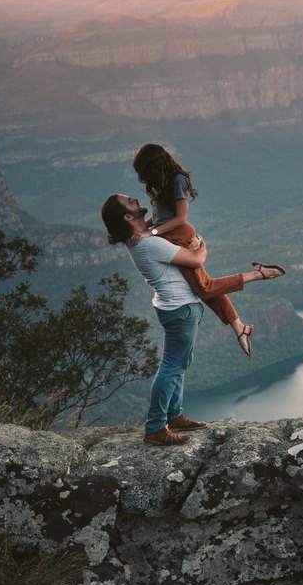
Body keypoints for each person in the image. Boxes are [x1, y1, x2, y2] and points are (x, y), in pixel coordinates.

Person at [100, 193, 283, 447]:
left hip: (175, 308)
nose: (134, 199)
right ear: (128, 217)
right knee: (171, 367)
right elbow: (197, 260)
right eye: (130, 202)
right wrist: (201, 243)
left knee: (180, 362)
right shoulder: (149, 244)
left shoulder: (142, 238)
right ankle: (155, 427)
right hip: (180, 309)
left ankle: (174, 415)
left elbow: (164, 220)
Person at [132, 143, 285, 357]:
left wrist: (152, 233)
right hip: (169, 237)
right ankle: (239, 327)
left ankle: (257, 274)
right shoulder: (161, 182)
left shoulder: (177, 180)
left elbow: (180, 218)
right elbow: (160, 216)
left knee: (204, 288)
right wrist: (145, 227)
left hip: (179, 236)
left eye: (144, 170)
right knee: (204, 287)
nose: (142, 177)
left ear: (153, 165)